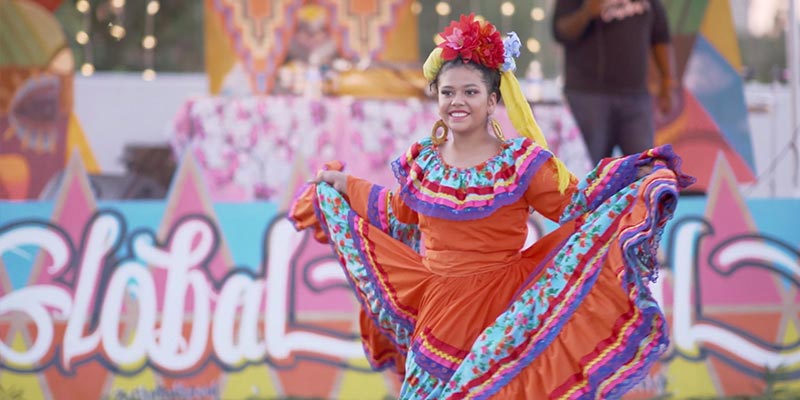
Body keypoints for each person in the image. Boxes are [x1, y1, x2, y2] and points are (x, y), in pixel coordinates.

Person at [289, 14, 693, 399]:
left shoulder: (520, 162)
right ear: (436, 97)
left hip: (504, 314)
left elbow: (574, 204)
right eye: (448, 92)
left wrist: (635, 175)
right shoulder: (423, 162)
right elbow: (396, 212)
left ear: (492, 99)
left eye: (470, 92)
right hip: (440, 310)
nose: (457, 101)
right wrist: (345, 185)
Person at [553, 0, 678, 164]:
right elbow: (560, 32)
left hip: (636, 97)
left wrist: (667, 83)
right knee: (589, 173)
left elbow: (660, 36)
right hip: (588, 97)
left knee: (643, 171)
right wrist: (586, 13)